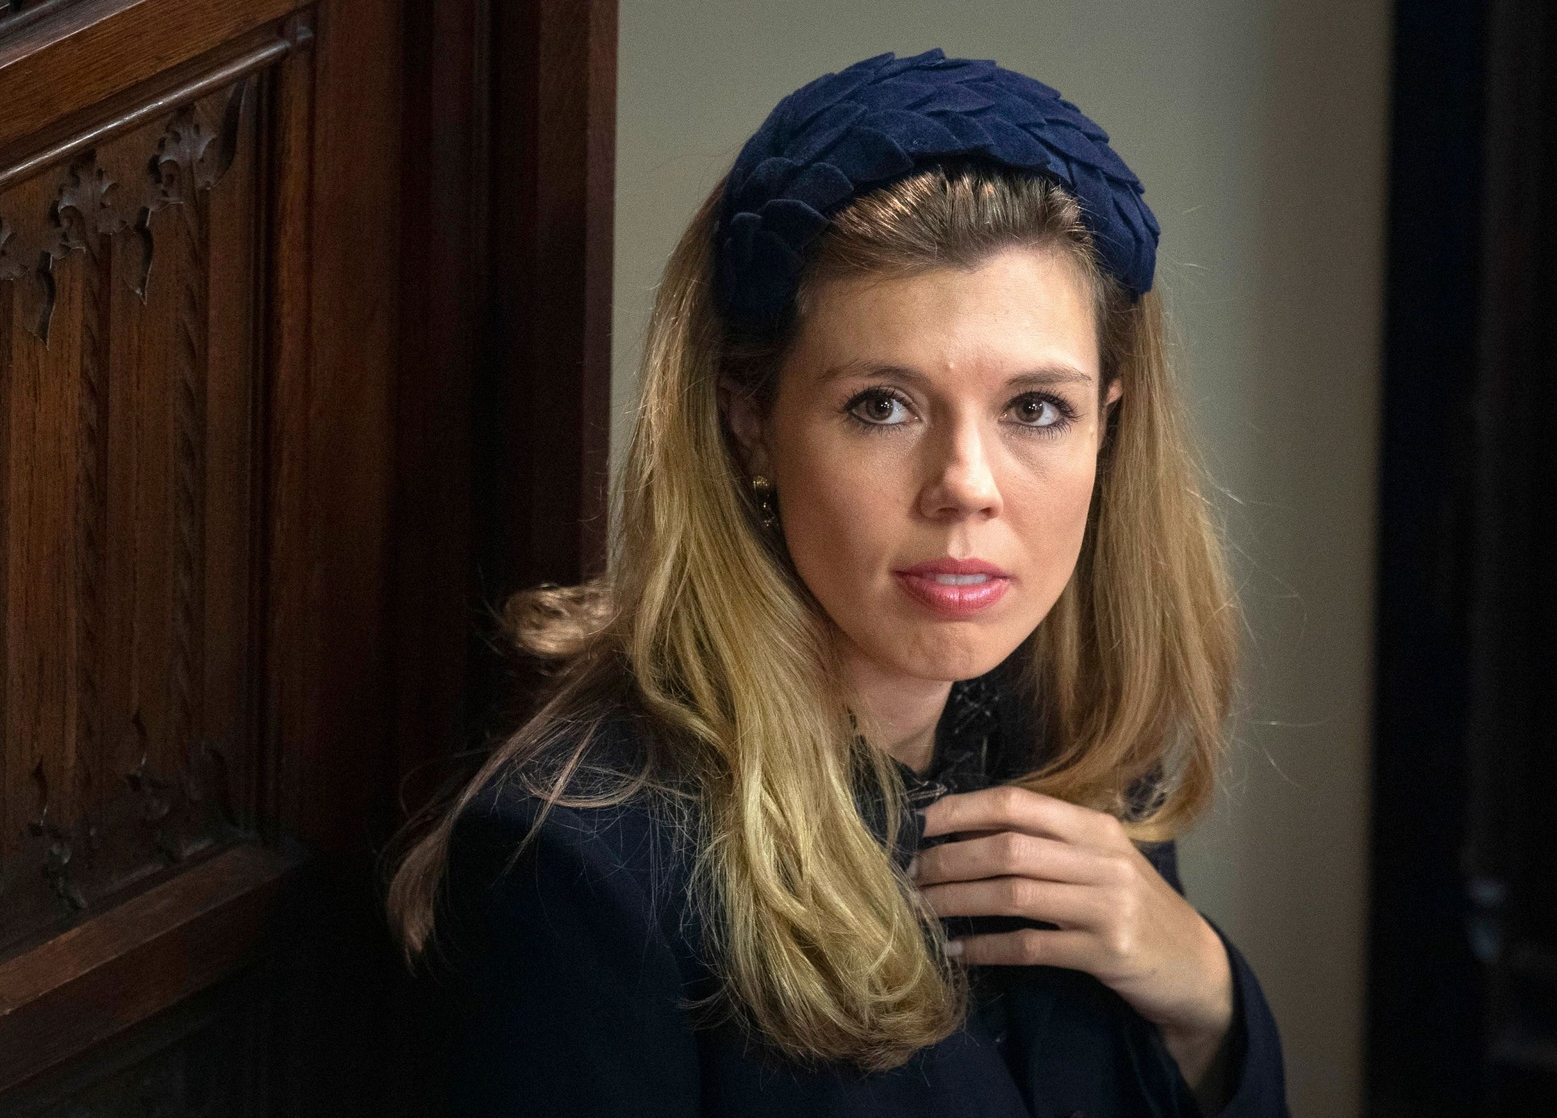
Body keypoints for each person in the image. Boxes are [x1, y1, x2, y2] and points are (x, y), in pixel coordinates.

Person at [386, 49, 1290, 1118]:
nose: (966, 486)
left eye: (1035, 409)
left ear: (1107, 424)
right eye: (881, 406)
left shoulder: (1078, 745)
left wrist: (1207, 1001)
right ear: (749, 422)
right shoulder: (579, 867)